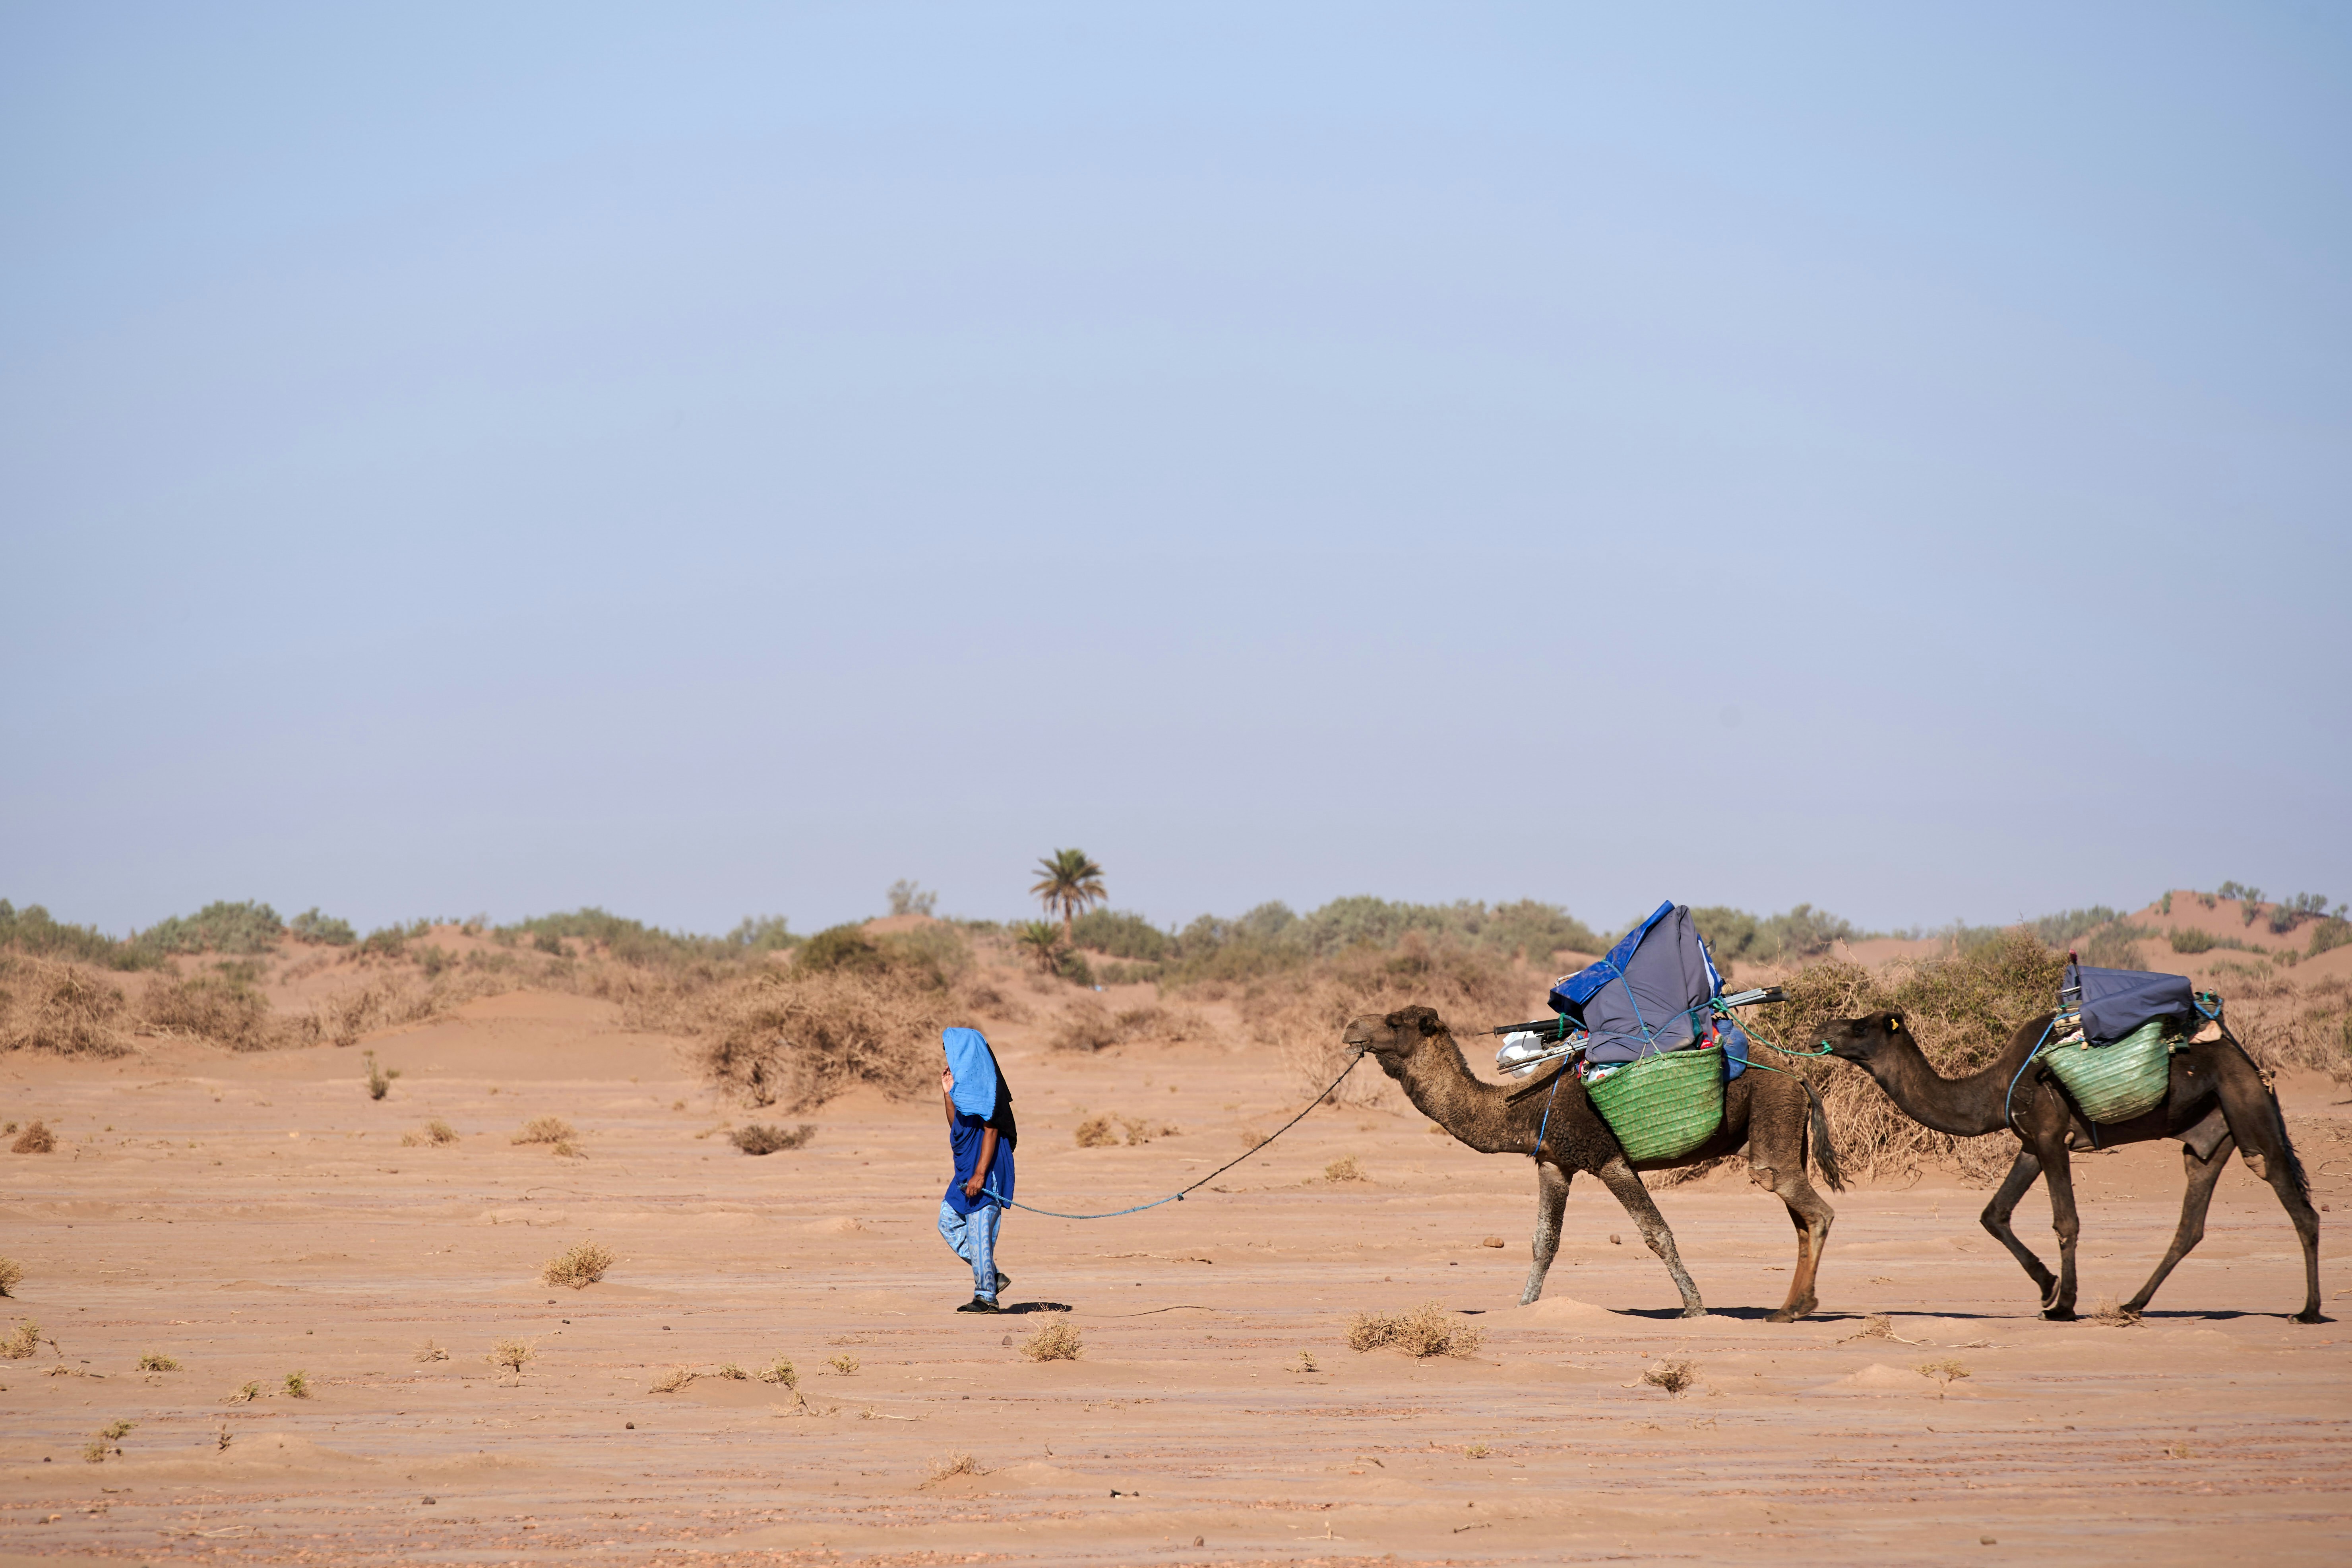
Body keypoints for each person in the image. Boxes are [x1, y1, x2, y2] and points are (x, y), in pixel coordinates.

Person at [938, 1025, 1017, 1314]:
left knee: (979, 1232)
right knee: (948, 1221)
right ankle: (992, 1275)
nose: (948, 1057)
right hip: (965, 1170)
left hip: (986, 1171)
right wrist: (948, 1094)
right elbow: (956, 1128)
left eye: (952, 1052)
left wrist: (981, 1174)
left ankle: (986, 1296)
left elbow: (992, 1129)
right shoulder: (963, 1085)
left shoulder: (985, 1087)